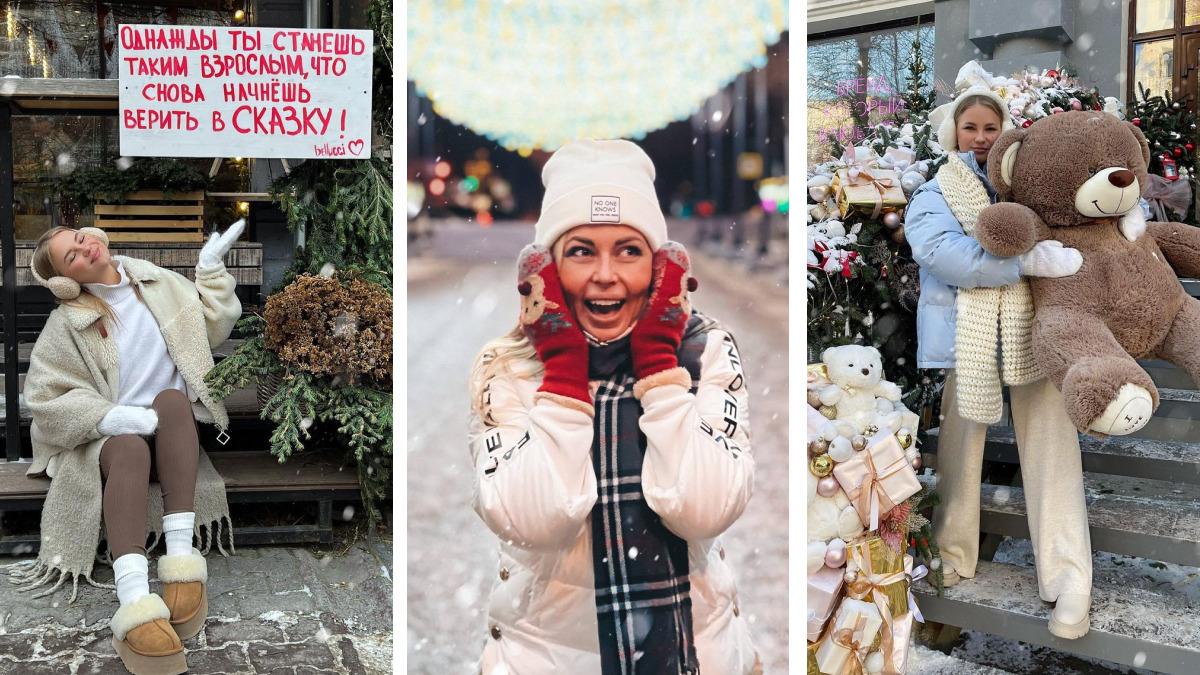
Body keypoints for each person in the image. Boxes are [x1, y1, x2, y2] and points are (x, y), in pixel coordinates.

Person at [467, 140, 760, 673]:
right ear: (546, 270)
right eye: (581, 250)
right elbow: (531, 520)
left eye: (629, 250)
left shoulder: (706, 350)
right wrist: (562, 372)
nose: (606, 274)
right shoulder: (507, 366)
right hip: (545, 658)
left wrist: (659, 372)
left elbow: (706, 507)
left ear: (661, 265)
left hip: (695, 652)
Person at [905, 87, 1096, 639]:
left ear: (1006, 129)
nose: (982, 138)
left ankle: (1067, 575)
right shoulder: (935, 191)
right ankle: (951, 555)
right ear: (954, 133)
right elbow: (941, 253)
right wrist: (1021, 264)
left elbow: (1072, 230)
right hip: (967, 337)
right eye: (971, 128)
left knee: (1054, 449)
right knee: (960, 456)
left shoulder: (1028, 181)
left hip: (1034, 333)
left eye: (992, 127)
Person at [17, 221, 244, 674]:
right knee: (130, 449)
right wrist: (108, 416)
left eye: (79, 238)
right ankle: (134, 595)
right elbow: (43, 396)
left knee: (175, 402)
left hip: (171, 433)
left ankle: (180, 559)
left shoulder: (157, 283)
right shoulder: (69, 321)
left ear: (94, 235)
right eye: (70, 256)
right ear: (66, 280)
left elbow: (211, 329)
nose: (83, 249)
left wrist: (210, 270)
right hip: (108, 440)